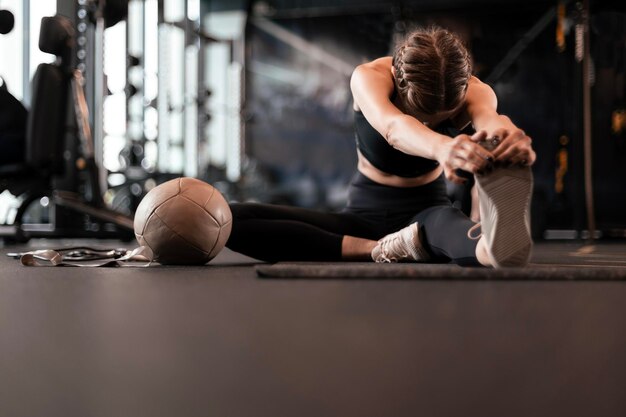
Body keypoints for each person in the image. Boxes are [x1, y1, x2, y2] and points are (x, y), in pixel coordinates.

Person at [226, 25, 535, 268]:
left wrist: (509, 139)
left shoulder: (474, 90)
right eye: (423, 117)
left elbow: (491, 120)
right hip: (362, 215)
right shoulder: (369, 77)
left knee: (475, 243)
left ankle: (489, 242)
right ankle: (377, 249)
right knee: (231, 219)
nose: (430, 124)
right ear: (400, 86)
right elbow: (393, 128)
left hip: (425, 214)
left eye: (441, 118)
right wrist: (443, 147)